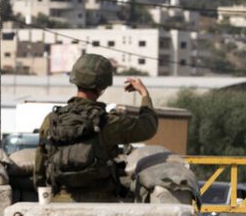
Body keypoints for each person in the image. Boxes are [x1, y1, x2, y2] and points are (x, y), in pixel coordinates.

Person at [33, 53, 158, 202]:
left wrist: (45, 195)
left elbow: (39, 165)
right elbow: (148, 127)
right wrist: (144, 94)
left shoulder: (52, 120)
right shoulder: (108, 122)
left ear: (75, 79)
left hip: (60, 199)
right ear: (102, 87)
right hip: (101, 202)